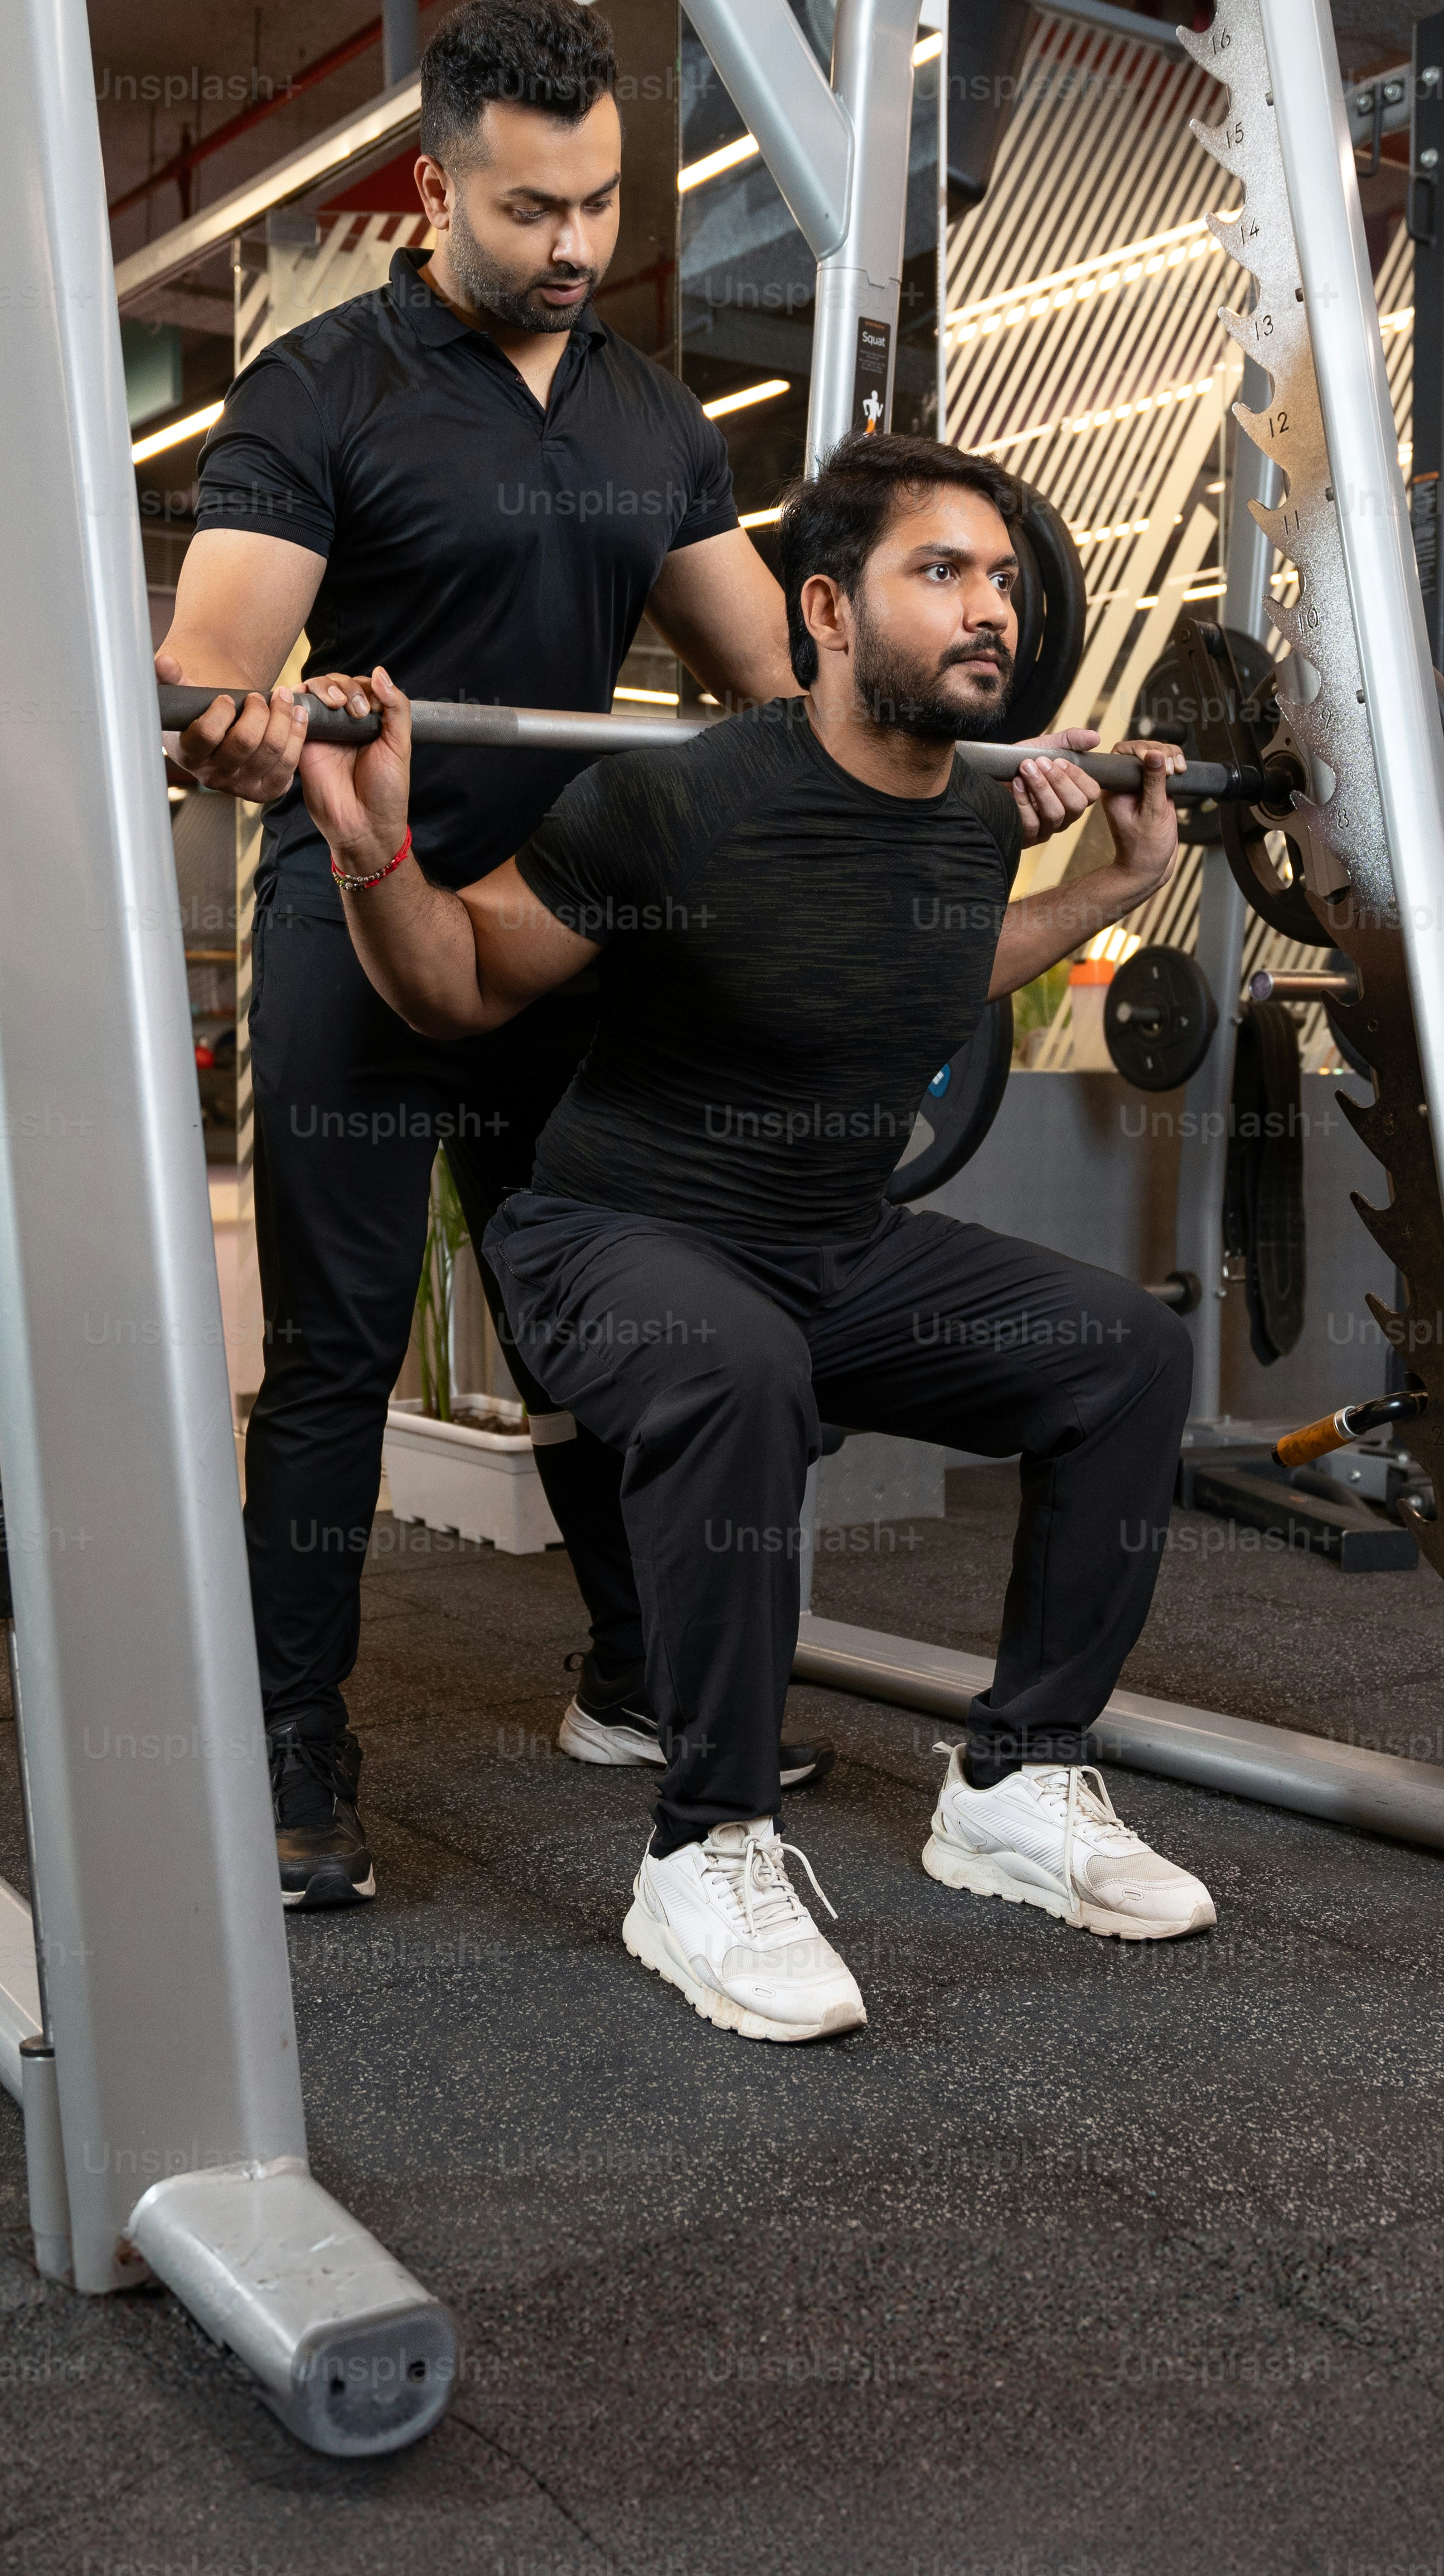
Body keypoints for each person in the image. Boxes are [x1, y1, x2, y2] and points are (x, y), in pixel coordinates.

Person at [297, 434, 1213, 2043]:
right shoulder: (674, 798)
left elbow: (947, 966)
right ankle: (706, 1844)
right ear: (826, 610)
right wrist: (374, 844)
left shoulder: (977, 811)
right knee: (739, 1365)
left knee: (1127, 1354)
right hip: (609, 1239)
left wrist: (1114, 881)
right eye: (941, 572)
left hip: (833, 1243)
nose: (990, 607)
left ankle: (1016, 1776)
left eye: (1002, 578)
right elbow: (456, 983)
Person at [157, 0, 823, 1908]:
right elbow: (221, 660)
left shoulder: (646, 420)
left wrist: (908, 775)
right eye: (535, 209)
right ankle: (295, 1752)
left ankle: (633, 1670)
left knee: (602, 1311)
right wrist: (242, 716)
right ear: (437, 183)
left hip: (555, 933)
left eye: (604, 204)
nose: (578, 246)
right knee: (339, 1353)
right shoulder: (323, 388)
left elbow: (770, 682)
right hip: (357, 907)